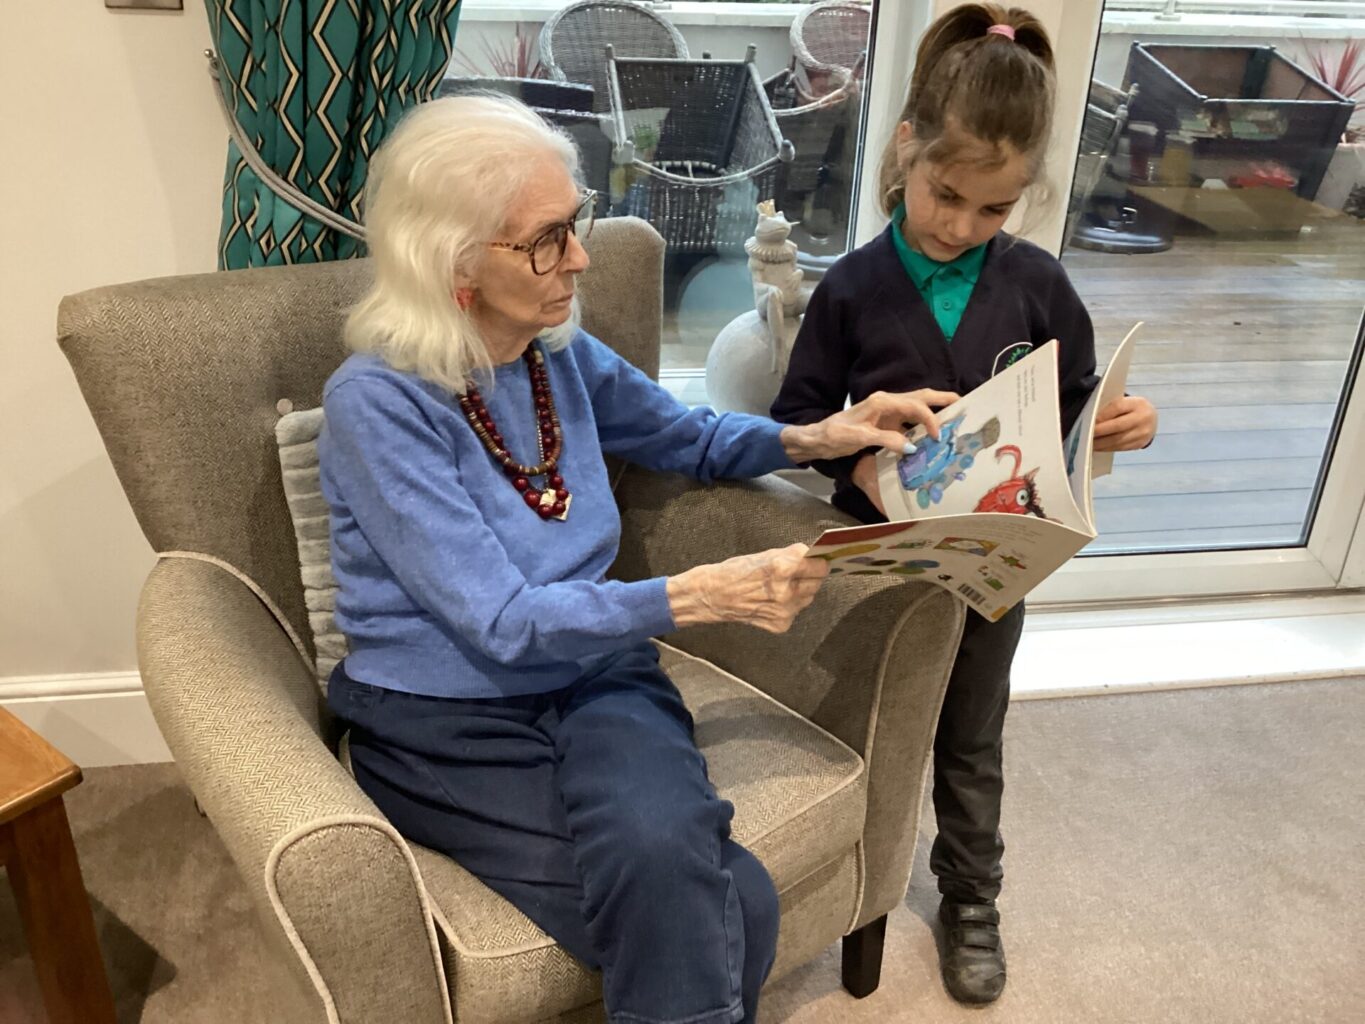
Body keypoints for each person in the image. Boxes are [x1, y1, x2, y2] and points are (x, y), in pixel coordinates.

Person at [318, 94, 956, 1024]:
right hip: (444, 713)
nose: (579, 258)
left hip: (593, 669)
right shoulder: (377, 404)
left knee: (679, 867)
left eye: (571, 224)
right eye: (546, 241)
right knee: (735, 900)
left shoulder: (555, 353)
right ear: (453, 261)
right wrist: (694, 597)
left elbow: (687, 436)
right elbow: (499, 622)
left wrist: (822, 435)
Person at [771, 4, 1159, 1005]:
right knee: (868, 723)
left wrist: (1120, 423)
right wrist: (858, 461)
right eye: (946, 195)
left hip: (994, 565)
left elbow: (1077, 405)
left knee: (972, 737)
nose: (959, 226)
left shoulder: (1036, 286)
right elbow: (797, 420)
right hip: (881, 562)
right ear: (906, 147)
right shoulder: (850, 288)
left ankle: (972, 899)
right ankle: (852, 882)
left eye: (993, 209)